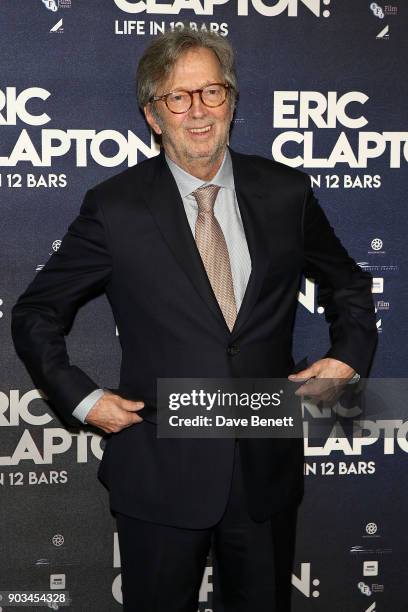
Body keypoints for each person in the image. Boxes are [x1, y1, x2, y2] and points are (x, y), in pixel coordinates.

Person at [11, 28, 377, 612]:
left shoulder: (286, 192)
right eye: (178, 98)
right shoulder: (116, 207)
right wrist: (81, 399)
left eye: (213, 92)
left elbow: (351, 285)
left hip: (264, 474)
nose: (199, 111)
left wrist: (349, 355)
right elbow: (36, 312)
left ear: (232, 101)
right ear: (154, 116)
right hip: (158, 474)